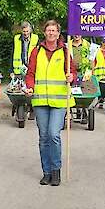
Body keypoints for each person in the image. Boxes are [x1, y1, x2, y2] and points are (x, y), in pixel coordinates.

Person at [24, 20, 76, 187]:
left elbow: (72, 72)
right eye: (48, 30)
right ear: (44, 33)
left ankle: (56, 170)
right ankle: (46, 173)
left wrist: (71, 77)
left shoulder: (65, 51)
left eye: (54, 30)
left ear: (58, 33)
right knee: (44, 137)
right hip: (40, 100)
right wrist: (30, 87)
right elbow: (30, 73)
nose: (51, 33)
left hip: (59, 101)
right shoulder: (36, 51)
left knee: (54, 135)